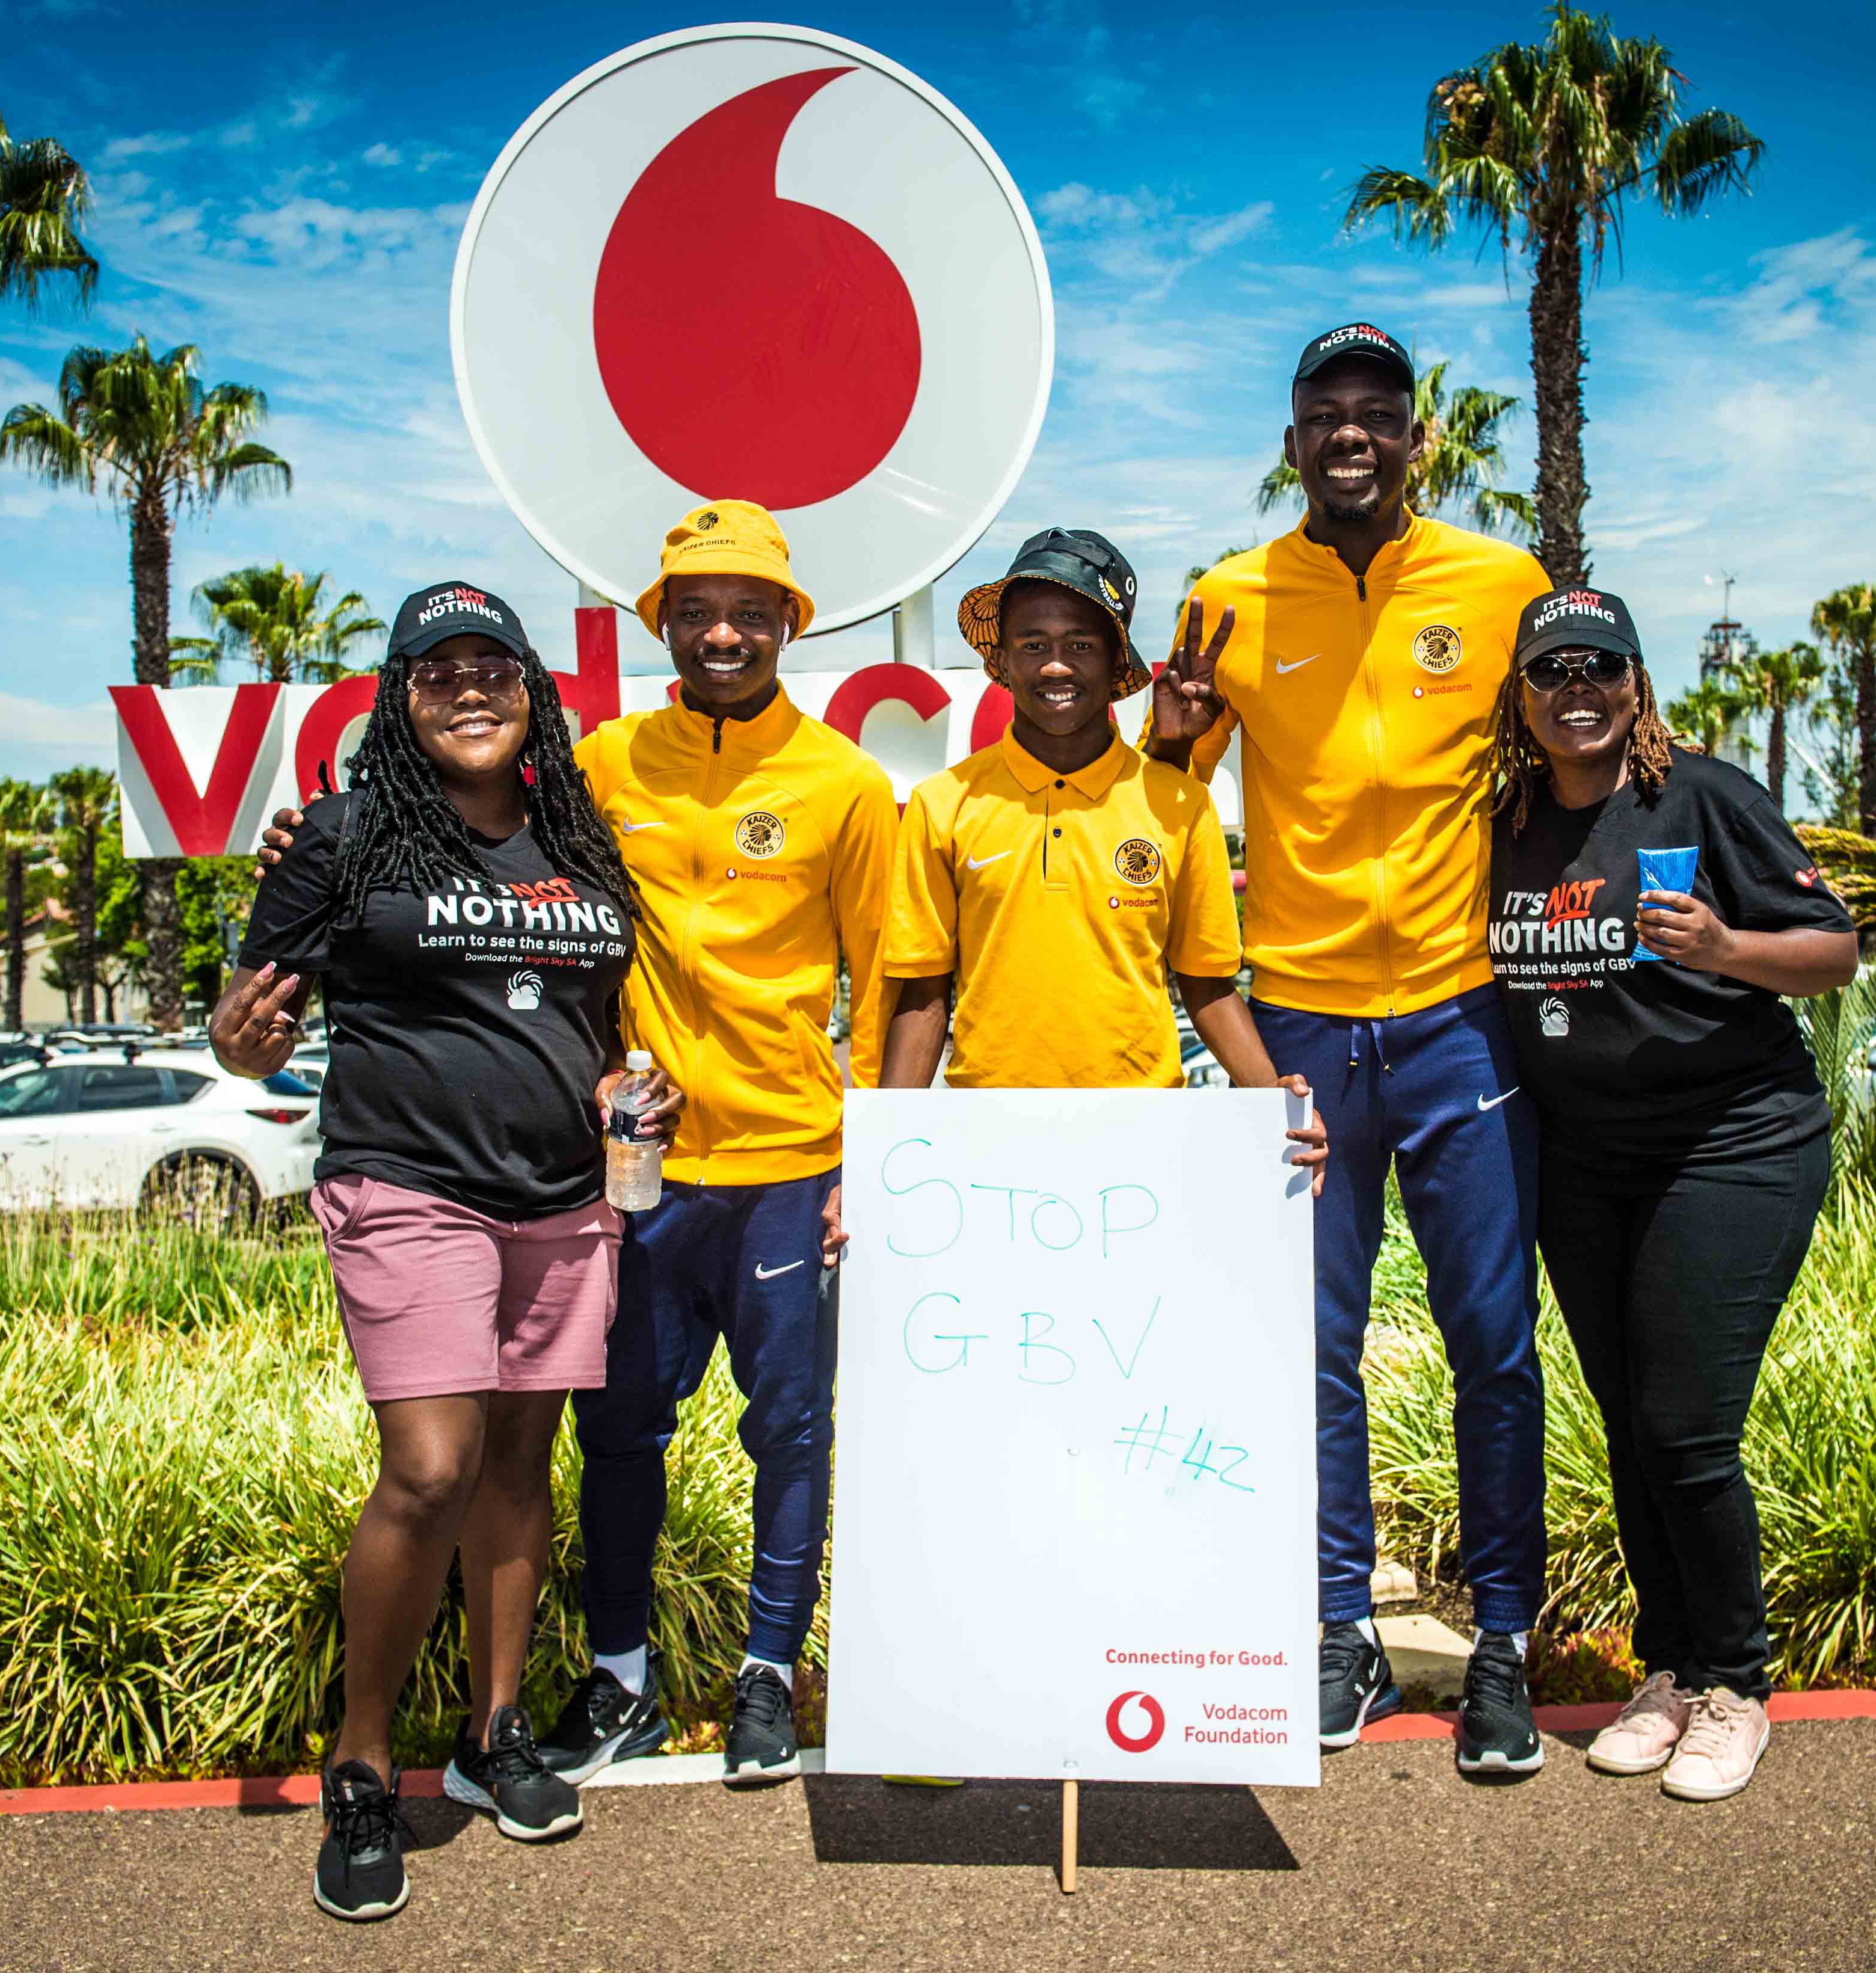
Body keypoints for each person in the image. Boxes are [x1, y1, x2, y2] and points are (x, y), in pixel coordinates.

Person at [268, 507, 896, 1787]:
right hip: (631, 1172)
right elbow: (464, 843)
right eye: (700, 606)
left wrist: (870, 1151)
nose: (726, 630)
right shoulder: (599, 763)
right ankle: (619, 1679)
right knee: (614, 1440)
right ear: (660, 619)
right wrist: (309, 846)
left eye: (755, 607)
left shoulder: (846, 783)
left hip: (791, 1162)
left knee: (791, 1433)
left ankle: (768, 1669)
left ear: (793, 621)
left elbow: (888, 984)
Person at [214, 580, 668, 1922]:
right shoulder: (343, 838)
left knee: (519, 1465)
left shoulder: (578, 840)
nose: (468, 688)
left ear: (533, 691)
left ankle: (495, 1729)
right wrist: (240, 1045)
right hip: (408, 1185)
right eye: (436, 671)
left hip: (565, 1192)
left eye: (494, 667)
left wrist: (623, 1087)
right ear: (397, 700)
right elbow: (253, 1023)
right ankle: (361, 1764)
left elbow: (599, 1015)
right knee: (428, 1466)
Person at [1145, 321, 1554, 1772]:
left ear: (1417, 437)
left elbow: (1590, 735)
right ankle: (1339, 1630)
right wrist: (1170, 736)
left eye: (1379, 413)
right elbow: (1167, 810)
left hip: (1461, 1017)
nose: (1353, 435)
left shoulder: (1500, 584)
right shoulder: (1229, 598)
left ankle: (1503, 1637)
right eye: (1327, 412)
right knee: (1310, 1349)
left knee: (1492, 1341)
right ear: (1293, 434)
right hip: (1302, 1030)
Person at [1486, 585, 1858, 1803]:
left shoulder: (1699, 795)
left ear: (1636, 683)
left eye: (1600, 667)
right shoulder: (1507, 817)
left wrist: (1725, 948)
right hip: (1583, 1162)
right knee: (1631, 1422)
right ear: (1522, 695)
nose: (1575, 690)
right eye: (1552, 672)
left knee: (1688, 1426)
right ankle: (1669, 1668)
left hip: (1730, 1141)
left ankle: (1735, 1685)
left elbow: (1834, 947)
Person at [876, 525, 1327, 1195]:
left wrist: (1272, 1105)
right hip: (986, 1142)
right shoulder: (944, 804)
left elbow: (1204, 986)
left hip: (1143, 1137)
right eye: (1032, 645)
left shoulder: (1178, 802)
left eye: (1080, 645)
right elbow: (922, 998)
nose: (1055, 665)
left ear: (1117, 668)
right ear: (999, 662)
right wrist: (882, 1161)